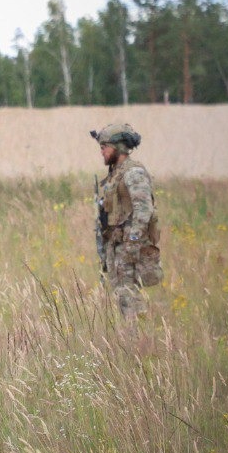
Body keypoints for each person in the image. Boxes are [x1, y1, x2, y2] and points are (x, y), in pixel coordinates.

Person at [93, 123, 162, 322]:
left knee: (130, 296)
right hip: (117, 245)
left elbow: (144, 209)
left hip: (129, 247)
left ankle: (136, 340)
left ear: (118, 147)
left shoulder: (133, 173)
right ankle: (129, 339)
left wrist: (132, 242)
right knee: (121, 296)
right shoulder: (117, 173)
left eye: (104, 147)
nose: (102, 152)